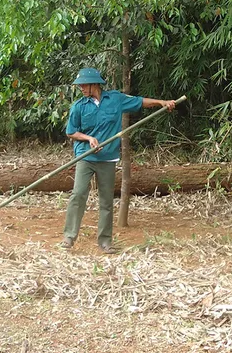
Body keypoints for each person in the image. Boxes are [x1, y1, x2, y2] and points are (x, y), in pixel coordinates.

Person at [60, 67, 177, 253]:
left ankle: (105, 241)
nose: (81, 88)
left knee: (106, 200)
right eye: (79, 85)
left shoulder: (115, 99)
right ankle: (69, 237)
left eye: (84, 85)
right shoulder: (79, 106)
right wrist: (89, 138)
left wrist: (161, 103)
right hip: (85, 156)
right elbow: (71, 132)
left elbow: (139, 101)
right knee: (78, 194)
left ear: (94, 84)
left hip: (108, 158)